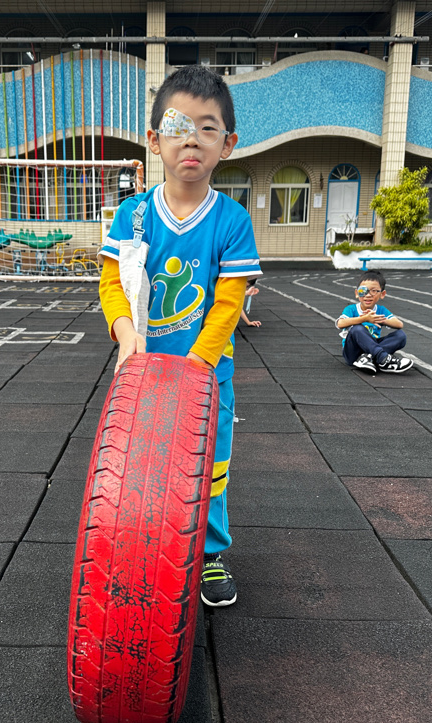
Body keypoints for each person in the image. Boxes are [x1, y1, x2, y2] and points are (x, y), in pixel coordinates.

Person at [98, 65, 261, 608]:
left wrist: (199, 363)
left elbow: (228, 302)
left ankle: (210, 553)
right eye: (177, 126)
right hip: (142, 373)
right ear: (154, 139)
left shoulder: (231, 221)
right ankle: (144, 544)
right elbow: (112, 284)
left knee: (210, 469)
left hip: (207, 375)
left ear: (227, 143)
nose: (191, 139)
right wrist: (125, 334)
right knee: (135, 465)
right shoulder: (133, 215)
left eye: (207, 128)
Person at [335, 270, 413, 373]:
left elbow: (399, 324)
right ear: (357, 293)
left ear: (382, 294)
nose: (368, 295)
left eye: (374, 291)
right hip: (353, 353)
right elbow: (340, 323)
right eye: (363, 291)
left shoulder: (381, 310)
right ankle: (383, 358)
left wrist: (379, 319)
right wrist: (364, 319)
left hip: (372, 349)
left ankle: (371, 358)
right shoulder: (351, 309)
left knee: (400, 336)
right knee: (357, 329)